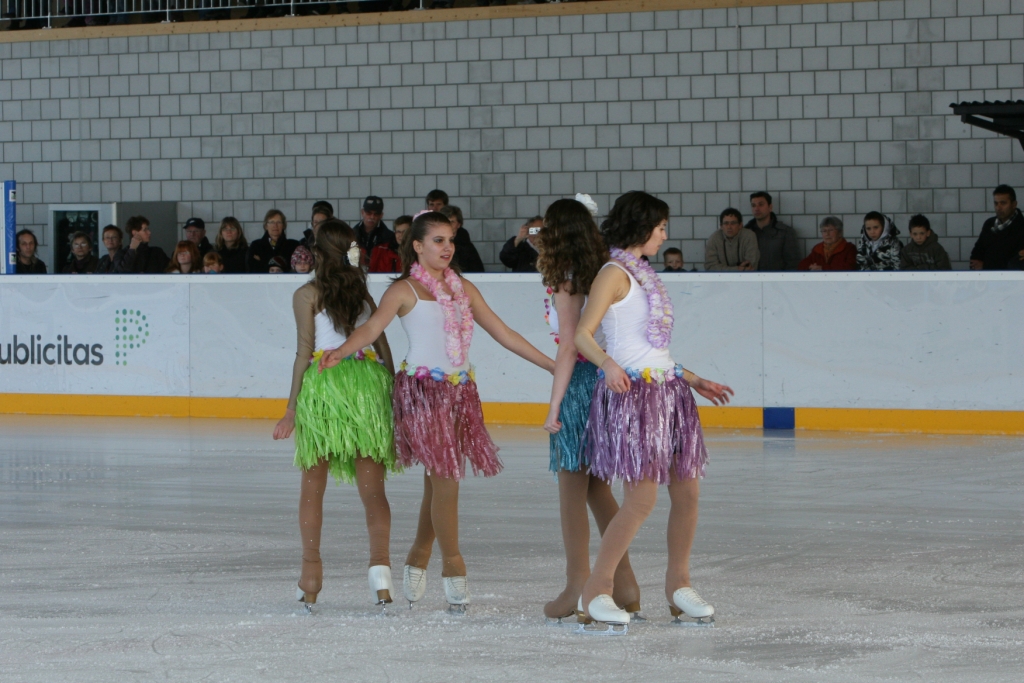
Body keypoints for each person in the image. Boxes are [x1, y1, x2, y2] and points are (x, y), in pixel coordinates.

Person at [319, 211, 554, 614]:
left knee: (438, 480)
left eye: (450, 240)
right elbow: (372, 329)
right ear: (417, 246)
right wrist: (341, 351)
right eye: (438, 240)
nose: (447, 248)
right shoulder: (404, 290)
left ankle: (418, 553)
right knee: (447, 479)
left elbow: (504, 333)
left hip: (460, 393)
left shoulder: (463, 288)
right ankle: (454, 565)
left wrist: (551, 365)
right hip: (421, 394)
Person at [574, 191, 733, 630]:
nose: (664, 236)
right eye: (660, 227)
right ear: (641, 226)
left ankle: (679, 585)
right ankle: (595, 590)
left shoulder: (643, 275)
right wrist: (606, 364)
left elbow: (654, 351)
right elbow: (583, 334)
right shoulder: (613, 273)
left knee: (688, 493)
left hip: (671, 394)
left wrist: (693, 379)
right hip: (634, 398)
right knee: (642, 499)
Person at [272, 220, 399, 614]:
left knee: (313, 484)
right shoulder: (362, 291)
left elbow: (304, 353)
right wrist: (394, 391)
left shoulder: (306, 294)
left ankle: (311, 574)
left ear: (316, 252)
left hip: (325, 388)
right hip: (368, 387)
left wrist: (291, 409)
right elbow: (381, 343)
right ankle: (381, 573)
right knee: (373, 489)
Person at [536, 196, 644, 624]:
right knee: (598, 487)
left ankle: (578, 584)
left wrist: (555, 404)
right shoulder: (602, 271)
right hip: (607, 384)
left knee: (571, 487)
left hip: (582, 384)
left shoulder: (566, 281)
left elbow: (569, 346)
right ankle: (626, 585)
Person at [969, 185, 1024, 270]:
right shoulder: (989, 224)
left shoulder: (1021, 227)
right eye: (996, 203)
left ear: (1014, 204)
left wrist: (985, 266)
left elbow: (1016, 261)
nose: (998, 207)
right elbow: (976, 254)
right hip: (985, 277)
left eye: (1003, 203)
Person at [746, 192, 800, 271]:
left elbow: (793, 263)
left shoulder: (785, 232)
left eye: (761, 204)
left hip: (778, 278)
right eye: (753, 205)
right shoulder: (746, 233)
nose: (756, 209)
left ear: (770, 207)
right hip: (751, 278)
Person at [352, 196, 394, 268]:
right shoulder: (350, 235)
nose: (372, 217)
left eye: (376, 214)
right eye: (369, 213)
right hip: (356, 274)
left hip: (381, 275)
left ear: (381, 215)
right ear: (362, 212)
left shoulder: (390, 237)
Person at [441, 205, 485, 273]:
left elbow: (478, 271)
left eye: (452, 222)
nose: (448, 225)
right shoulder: (433, 243)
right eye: (445, 221)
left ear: (459, 224)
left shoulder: (467, 247)